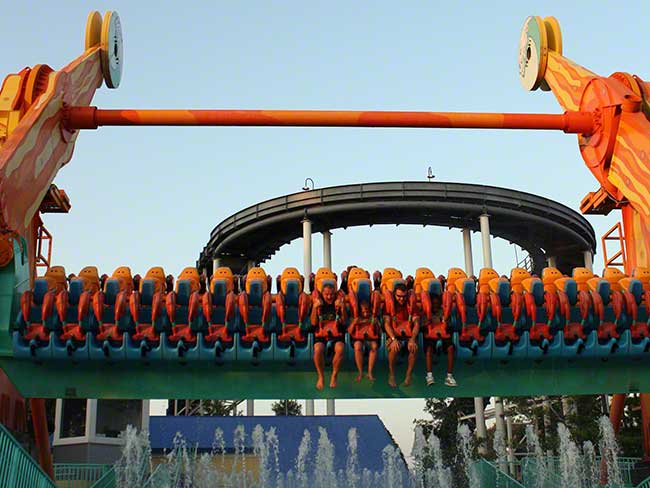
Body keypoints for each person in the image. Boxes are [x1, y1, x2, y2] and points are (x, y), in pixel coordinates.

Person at [311, 283, 346, 390]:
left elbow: (344, 322)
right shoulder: (319, 303)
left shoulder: (338, 302)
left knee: (340, 348)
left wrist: (343, 307)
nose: (329, 297)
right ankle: (321, 376)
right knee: (318, 350)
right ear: (322, 294)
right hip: (321, 333)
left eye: (331, 294)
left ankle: (334, 375)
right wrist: (314, 307)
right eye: (326, 294)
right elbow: (313, 323)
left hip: (336, 333)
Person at [384, 282, 419, 387]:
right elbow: (386, 323)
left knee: (413, 348)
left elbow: (416, 323)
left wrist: (412, 339)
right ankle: (392, 374)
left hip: (408, 334)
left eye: (404, 297)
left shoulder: (411, 305)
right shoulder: (389, 305)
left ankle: (408, 375)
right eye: (399, 296)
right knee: (394, 347)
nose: (401, 299)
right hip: (394, 334)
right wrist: (393, 338)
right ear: (394, 295)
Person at [423, 294, 457, 387]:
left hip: (443, 335)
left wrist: (445, 322)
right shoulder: (426, 312)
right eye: (433, 304)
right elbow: (423, 325)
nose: (435, 306)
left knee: (450, 348)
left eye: (437, 304)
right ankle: (429, 376)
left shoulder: (443, 312)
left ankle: (449, 376)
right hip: (430, 336)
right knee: (429, 349)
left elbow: (449, 325)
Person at [347, 300, 379, 382]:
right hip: (358, 339)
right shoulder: (355, 317)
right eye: (363, 312)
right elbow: (349, 332)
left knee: (374, 346)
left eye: (367, 312)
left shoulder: (373, 317)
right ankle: (360, 372)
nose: (365, 314)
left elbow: (379, 333)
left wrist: (376, 324)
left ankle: (370, 372)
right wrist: (354, 323)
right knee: (357, 346)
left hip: (370, 338)